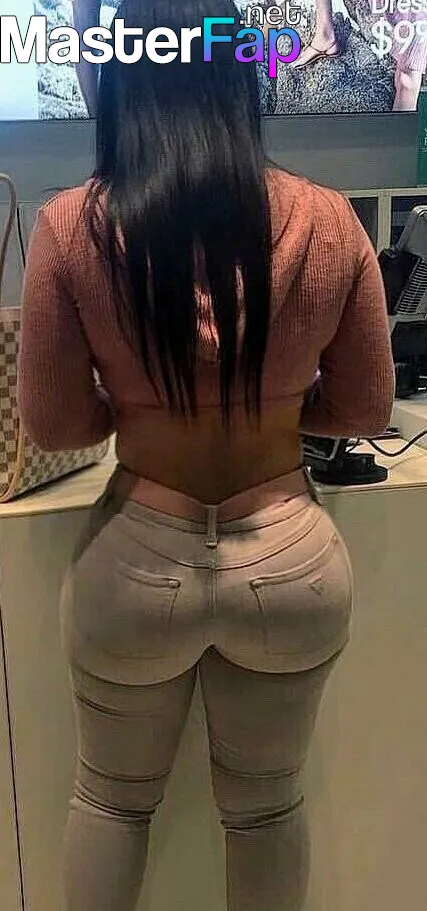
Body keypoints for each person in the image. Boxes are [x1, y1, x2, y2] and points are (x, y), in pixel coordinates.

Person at [18, 1, 394, 909]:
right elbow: (364, 406)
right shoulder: (328, 219)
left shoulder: (70, 227)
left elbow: (56, 424)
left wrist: (135, 404)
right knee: (266, 809)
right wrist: (280, 405)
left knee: (111, 801)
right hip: (289, 556)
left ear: (123, 76)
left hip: (134, 559)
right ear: (240, 73)